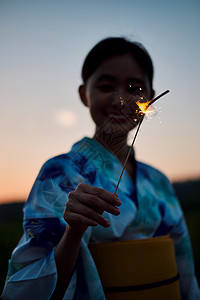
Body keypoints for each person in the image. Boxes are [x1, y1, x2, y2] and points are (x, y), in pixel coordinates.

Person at [2, 37, 199, 300]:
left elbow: (183, 262)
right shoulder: (59, 173)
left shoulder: (158, 180)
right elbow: (30, 282)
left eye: (134, 88)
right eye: (106, 86)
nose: (120, 100)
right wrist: (73, 232)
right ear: (85, 94)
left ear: (150, 98)